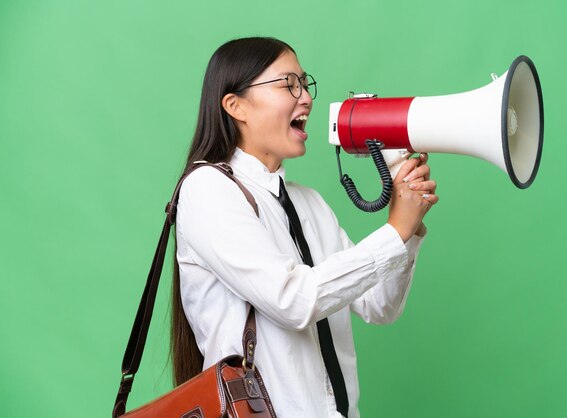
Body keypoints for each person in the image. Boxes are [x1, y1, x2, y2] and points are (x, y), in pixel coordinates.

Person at [170, 37, 439, 418]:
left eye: (304, 83)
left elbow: (380, 306)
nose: (307, 98)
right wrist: (394, 232)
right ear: (236, 106)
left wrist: (407, 229)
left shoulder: (309, 202)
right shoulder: (207, 189)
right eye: (287, 84)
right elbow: (292, 300)